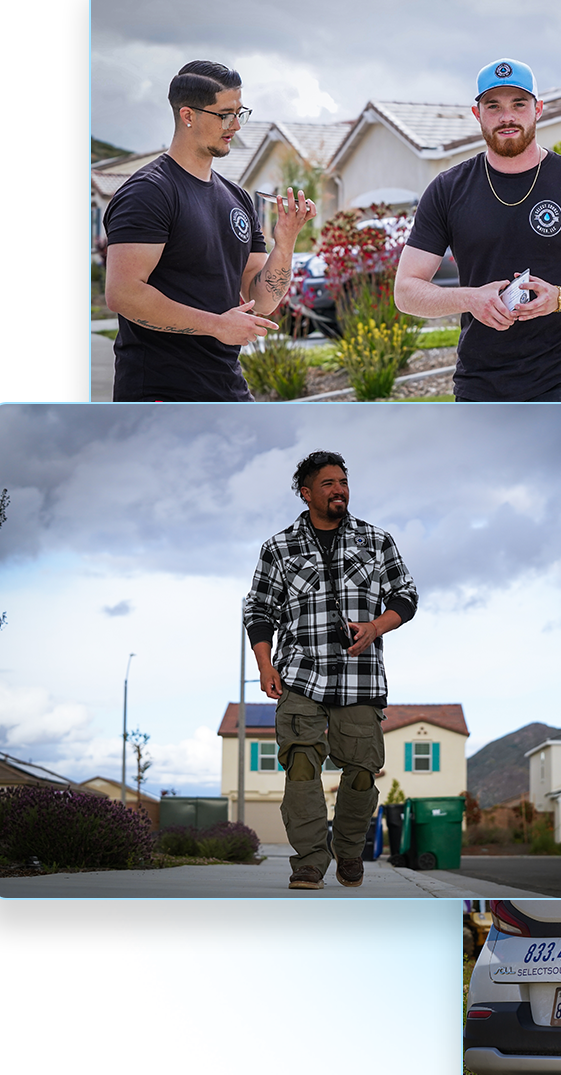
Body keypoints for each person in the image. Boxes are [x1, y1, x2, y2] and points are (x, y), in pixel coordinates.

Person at [394, 58, 561, 400]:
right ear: (478, 114)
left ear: (538, 109)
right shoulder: (448, 189)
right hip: (478, 382)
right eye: (494, 106)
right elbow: (405, 291)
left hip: (560, 381)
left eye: (519, 104)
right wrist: (471, 299)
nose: (507, 116)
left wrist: (559, 299)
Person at [244, 452, 419, 890]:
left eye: (343, 481)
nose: (339, 489)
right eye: (328, 483)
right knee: (301, 766)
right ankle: (307, 862)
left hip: (360, 677)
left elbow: (406, 594)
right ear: (306, 493)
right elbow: (259, 608)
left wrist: (377, 626)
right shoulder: (278, 547)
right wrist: (265, 664)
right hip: (300, 672)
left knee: (361, 774)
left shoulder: (376, 540)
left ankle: (348, 851)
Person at [103, 60, 315, 401]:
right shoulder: (149, 192)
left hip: (227, 386)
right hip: (161, 393)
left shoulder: (237, 198)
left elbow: (261, 300)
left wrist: (285, 242)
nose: (236, 126)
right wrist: (217, 325)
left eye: (239, 113)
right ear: (188, 116)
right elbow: (124, 294)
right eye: (225, 115)